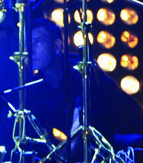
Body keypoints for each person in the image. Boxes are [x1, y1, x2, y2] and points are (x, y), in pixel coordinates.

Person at [26, 18, 143, 150]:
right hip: (96, 146)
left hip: (127, 135)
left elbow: (80, 126)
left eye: (38, 42)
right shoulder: (36, 86)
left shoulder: (83, 69)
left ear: (57, 46)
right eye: (28, 43)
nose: (31, 50)